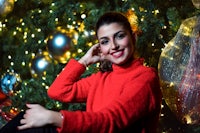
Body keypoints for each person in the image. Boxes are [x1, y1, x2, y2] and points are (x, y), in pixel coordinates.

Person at [1, 12, 162, 133]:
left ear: (133, 38)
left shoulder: (145, 78)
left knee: (36, 125)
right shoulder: (103, 78)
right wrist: (84, 61)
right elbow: (57, 91)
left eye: (119, 36)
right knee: (24, 118)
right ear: (100, 47)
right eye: (105, 41)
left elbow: (110, 120)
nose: (113, 46)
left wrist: (53, 117)